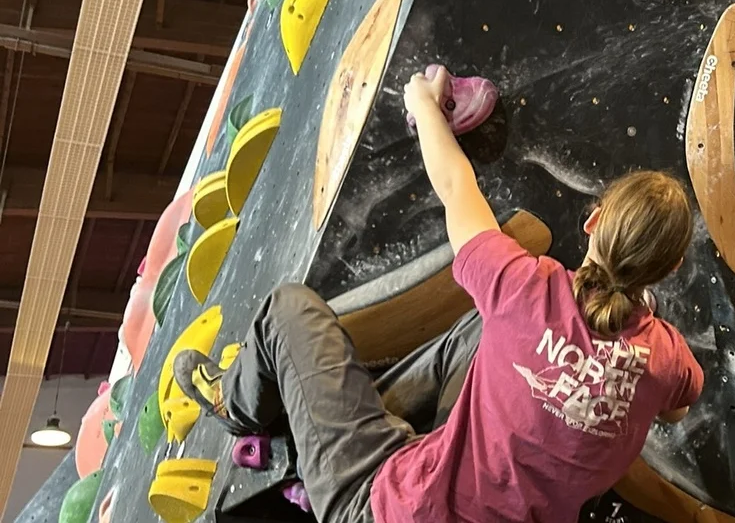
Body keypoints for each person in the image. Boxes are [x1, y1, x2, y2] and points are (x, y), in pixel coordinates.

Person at [173, 64, 705, 523]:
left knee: (286, 310)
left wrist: (423, 104)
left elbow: (455, 186)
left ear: (593, 223)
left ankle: (237, 404)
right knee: (484, 330)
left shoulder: (524, 286)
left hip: (384, 508)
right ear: (671, 268)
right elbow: (677, 412)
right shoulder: (666, 359)